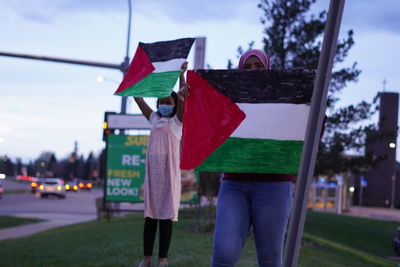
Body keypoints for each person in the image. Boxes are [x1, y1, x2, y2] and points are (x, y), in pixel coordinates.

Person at [211, 49, 293, 267]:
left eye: (258, 66)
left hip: (274, 186)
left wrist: (315, 103)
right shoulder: (228, 99)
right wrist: (188, 100)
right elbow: (203, 126)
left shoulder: (283, 98)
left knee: (269, 258)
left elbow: (308, 131)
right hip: (234, 184)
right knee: (223, 255)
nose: (253, 71)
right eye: (247, 67)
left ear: (268, 69)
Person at [136, 62, 189, 267]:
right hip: (152, 177)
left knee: (166, 217)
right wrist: (134, 81)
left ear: (175, 104)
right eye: (161, 101)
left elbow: (184, 99)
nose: (163, 104)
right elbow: (138, 99)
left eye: (168, 101)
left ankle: (163, 259)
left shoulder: (177, 122)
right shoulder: (154, 119)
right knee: (150, 217)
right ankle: (147, 258)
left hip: (169, 176)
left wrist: (181, 75)